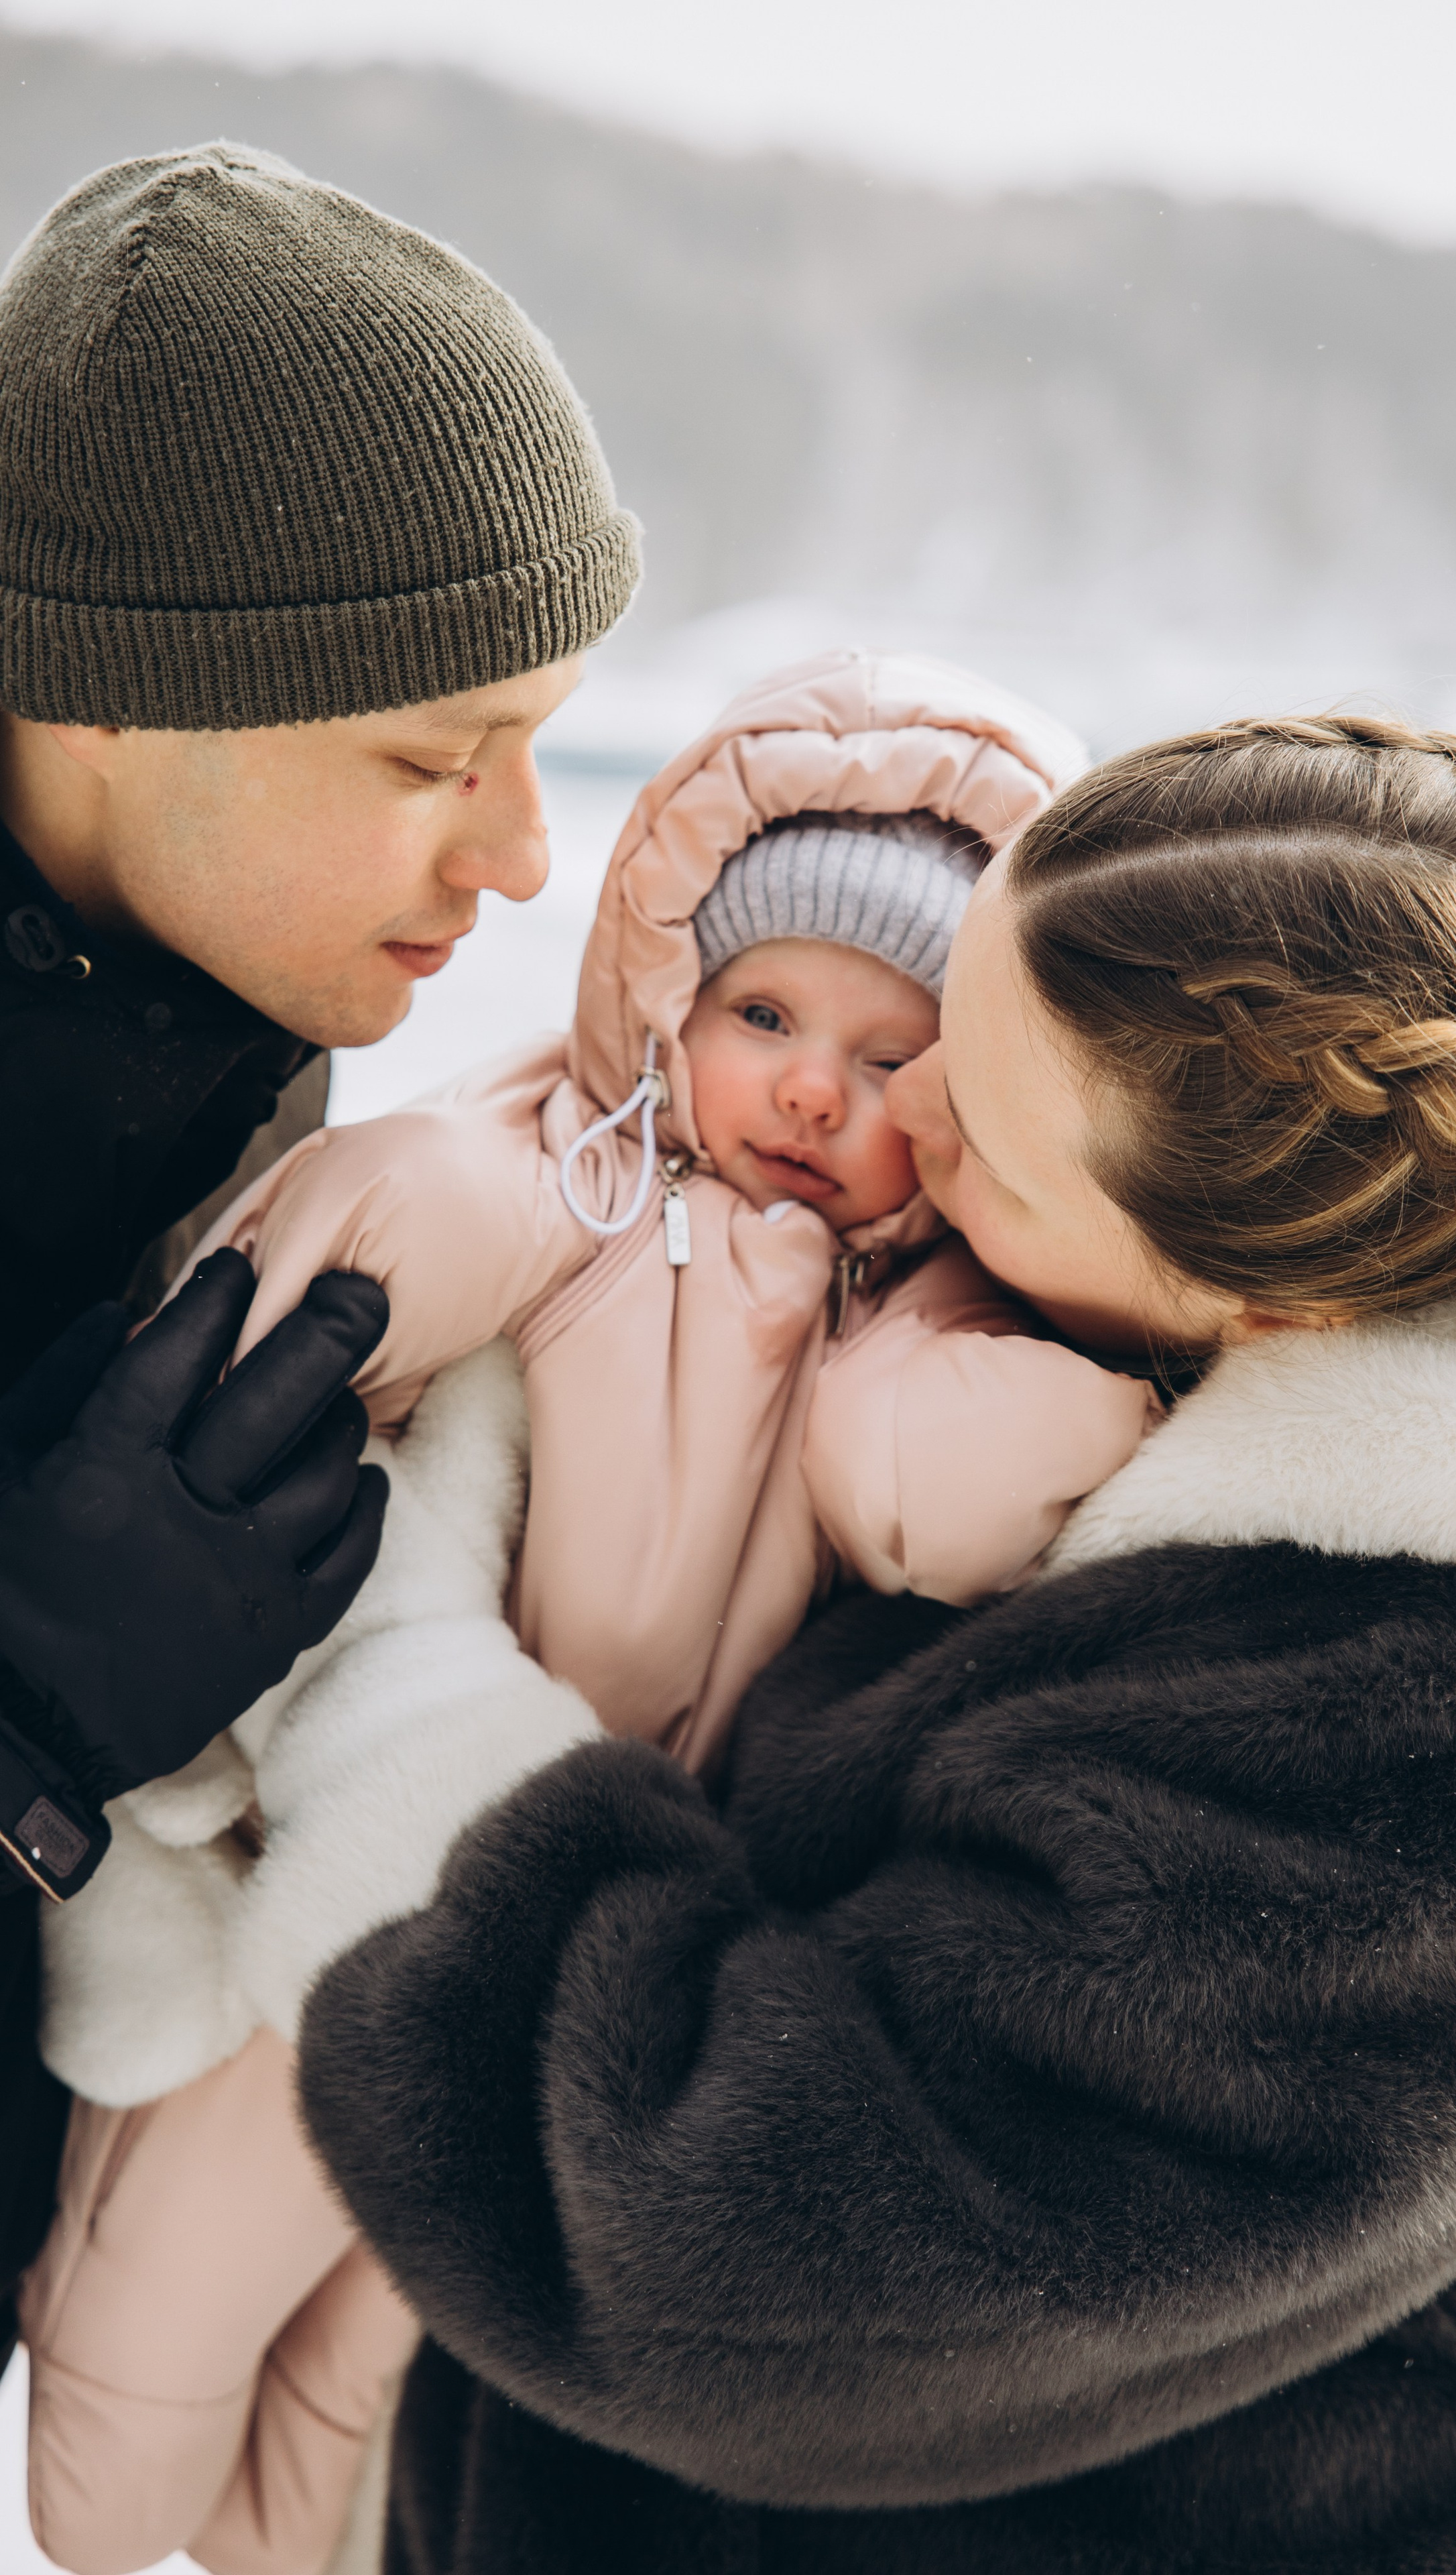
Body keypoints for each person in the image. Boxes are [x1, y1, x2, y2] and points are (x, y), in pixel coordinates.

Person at [295, 715, 1456, 2571]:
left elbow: (710, 2245)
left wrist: (398, 1721)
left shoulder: (1455, 1795)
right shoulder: (1304, 1186)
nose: (908, 1111)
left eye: (994, 1152)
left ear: (1257, 1294)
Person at [21, 650, 1164, 2575]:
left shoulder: (932, 1313)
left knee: (396, 2337)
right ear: (671, 999)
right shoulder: (592, 1177)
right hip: (355, 1894)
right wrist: (346, 1247)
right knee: (166, 2292)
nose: (813, 1084)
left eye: (896, 1063)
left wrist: (1063, 1370)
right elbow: (432, 1210)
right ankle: (90, 2509)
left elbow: (931, 1494)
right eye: (767, 1011)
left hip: (599, 1950)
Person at [0, 135, 640, 2366]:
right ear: (94, 688)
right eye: (430, 755)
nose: (530, 856)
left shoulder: (206, 1034)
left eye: (540, 748)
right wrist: (32, 1711)